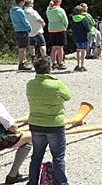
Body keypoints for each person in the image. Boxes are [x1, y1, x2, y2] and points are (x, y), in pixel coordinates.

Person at [26, 57, 72, 185]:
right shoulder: (56, 84)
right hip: (54, 124)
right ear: (49, 69)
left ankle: (32, 182)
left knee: (36, 156)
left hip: (36, 124)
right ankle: (62, 183)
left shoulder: (30, 84)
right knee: (58, 156)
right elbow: (68, 96)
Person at [10, 0, 33, 71]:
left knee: (21, 47)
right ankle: (22, 63)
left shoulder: (12, 10)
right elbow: (24, 20)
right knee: (23, 48)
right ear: (21, 2)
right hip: (23, 30)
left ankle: (22, 62)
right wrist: (29, 27)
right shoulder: (20, 11)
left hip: (17, 29)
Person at [69, 5, 91, 72]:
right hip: (83, 36)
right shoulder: (83, 19)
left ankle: (77, 64)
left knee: (78, 50)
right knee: (83, 50)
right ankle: (82, 65)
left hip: (76, 36)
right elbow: (87, 28)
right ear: (82, 11)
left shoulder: (72, 18)